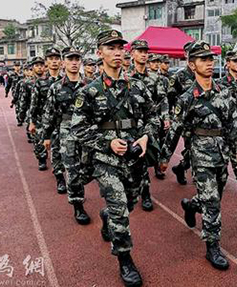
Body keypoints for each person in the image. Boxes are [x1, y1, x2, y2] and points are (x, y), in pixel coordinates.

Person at [71, 30, 159, 287]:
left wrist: (145, 137)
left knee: (129, 203)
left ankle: (108, 216)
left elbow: (153, 117)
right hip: (105, 162)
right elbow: (78, 129)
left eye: (121, 47)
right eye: (111, 48)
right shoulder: (89, 91)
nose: (118, 52)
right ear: (100, 53)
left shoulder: (138, 86)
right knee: (121, 208)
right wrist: (107, 143)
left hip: (134, 159)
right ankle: (124, 258)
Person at [160, 40, 237, 270]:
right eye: (203, 60)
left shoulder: (223, 92)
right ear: (192, 64)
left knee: (214, 194)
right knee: (212, 202)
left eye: (210, 59)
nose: (208, 63)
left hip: (221, 153)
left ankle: (190, 206)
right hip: (200, 155)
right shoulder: (187, 98)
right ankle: (212, 245)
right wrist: (164, 158)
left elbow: (234, 124)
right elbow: (175, 129)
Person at [41, 47, 91, 225]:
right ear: (64, 63)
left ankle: (80, 190)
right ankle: (78, 205)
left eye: (77, 59)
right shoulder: (56, 87)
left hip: (87, 132)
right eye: (70, 59)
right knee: (72, 169)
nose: (74, 62)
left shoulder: (90, 85)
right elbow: (49, 113)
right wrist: (47, 136)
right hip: (66, 132)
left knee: (88, 168)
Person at [130, 39, 169, 209]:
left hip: (149, 122)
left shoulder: (155, 78)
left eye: (146, 51)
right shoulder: (126, 78)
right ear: (133, 54)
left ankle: (146, 194)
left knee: (146, 157)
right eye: (140, 51)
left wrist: (165, 117)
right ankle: (134, 192)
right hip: (130, 124)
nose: (144, 54)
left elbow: (162, 99)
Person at [29, 48, 66, 194]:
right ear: (47, 63)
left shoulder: (67, 80)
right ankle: (59, 178)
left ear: (61, 61)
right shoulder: (40, 83)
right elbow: (34, 104)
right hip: (45, 122)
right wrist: (32, 121)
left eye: (57, 58)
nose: (54, 61)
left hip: (65, 122)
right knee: (55, 151)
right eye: (51, 58)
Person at [217, 50, 237, 188]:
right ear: (228, 63)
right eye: (235, 61)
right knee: (222, 155)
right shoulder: (220, 83)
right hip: (224, 126)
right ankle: (220, 179)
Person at [167, 41, 195, 185]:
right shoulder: (178, 76)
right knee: (194, 150)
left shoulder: (205, 74)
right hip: (186, 121)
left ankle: (181, 167)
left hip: (205, 120)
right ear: (186, 55)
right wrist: (171, 118)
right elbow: (170, 99)